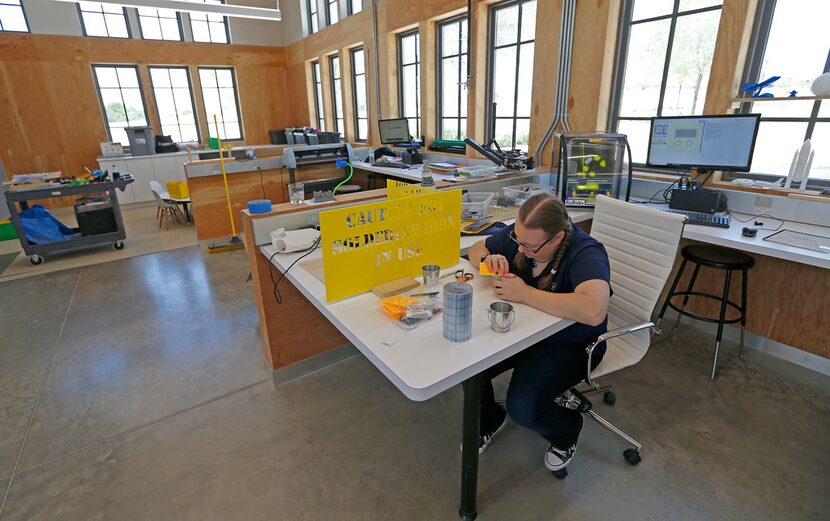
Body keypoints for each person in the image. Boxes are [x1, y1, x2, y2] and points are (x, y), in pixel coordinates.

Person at [467, 193, 611, 472]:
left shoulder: (586, 252)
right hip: (523, 332)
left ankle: (567, 430)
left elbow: (594, 309)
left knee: (523, 407)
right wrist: (488, 258)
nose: (520, 251)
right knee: (470, 367)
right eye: (516, 242)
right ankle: (489, 420)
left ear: (557, 238)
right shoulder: (522, 235)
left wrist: (525, 294)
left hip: (572, 343)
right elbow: (476, 248)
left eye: (529, 247)